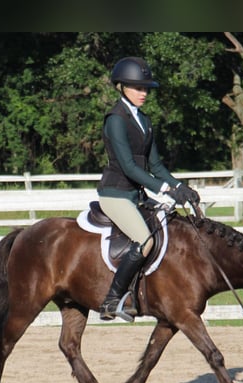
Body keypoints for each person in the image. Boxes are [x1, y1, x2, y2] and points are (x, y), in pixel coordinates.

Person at [96, 56, 200, 321]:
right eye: (137, 87)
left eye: (145, 88)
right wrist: (166, 189)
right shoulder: (115, 119)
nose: (143, 93)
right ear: (120, 87)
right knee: (145, 240)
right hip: (116, 194)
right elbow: (129, 167)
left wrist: (180, 187)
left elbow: (155, 164)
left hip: (136, 196)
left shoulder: (145, 120)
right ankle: (112, 301)